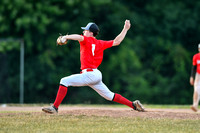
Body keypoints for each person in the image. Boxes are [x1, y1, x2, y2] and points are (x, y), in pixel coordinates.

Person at [42, 20, 145, 114]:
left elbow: (79, 37)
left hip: (89, 74)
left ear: (91, 33)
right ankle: (133, 105)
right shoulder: (100, 43)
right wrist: (125, 29)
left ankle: (55, 107)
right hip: (96, 74)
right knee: (110, 96)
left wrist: (66, 37)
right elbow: (117, 41)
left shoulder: (86, 40)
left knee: (64, 81)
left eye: (86, 30)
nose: (84, 32)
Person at [190, 44, 200, 112]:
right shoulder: (196, 57)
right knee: (196, 89)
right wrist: (192, 77)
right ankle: (195, 105)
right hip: (198, 74)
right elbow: (194, 67)